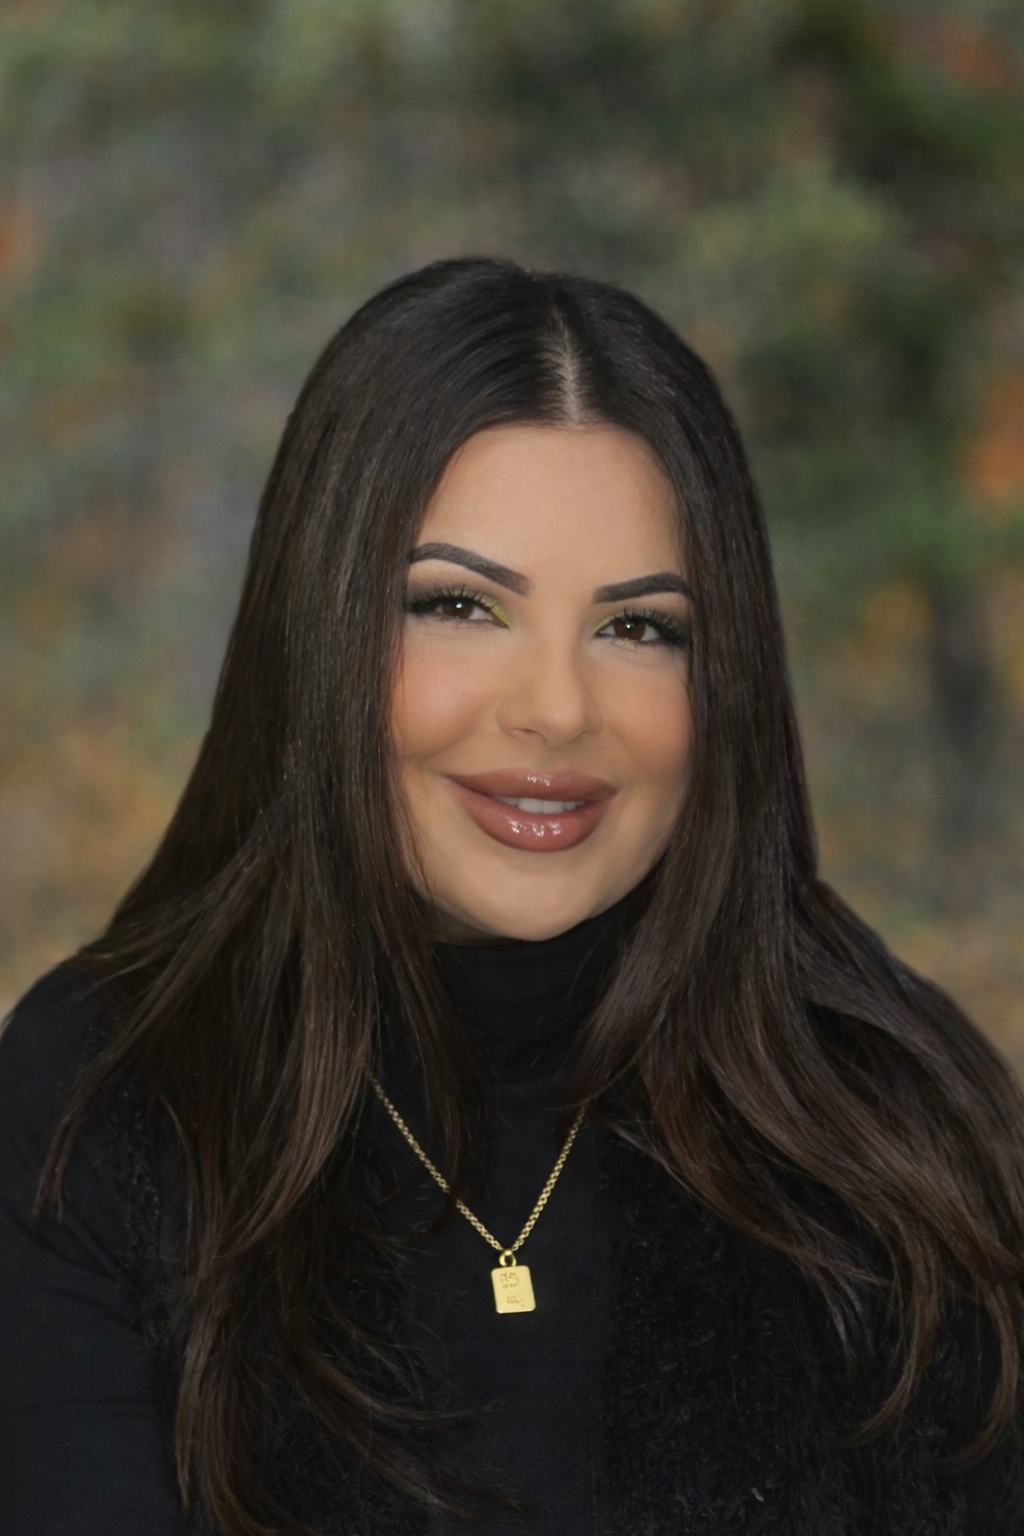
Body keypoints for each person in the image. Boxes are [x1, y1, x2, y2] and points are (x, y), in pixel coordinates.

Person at [1, 255, 1022, 1536]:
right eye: (460, 605)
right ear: (318, 630)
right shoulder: (103, 1092)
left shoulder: (899, 1116)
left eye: (638, 627)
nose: (555, 708)